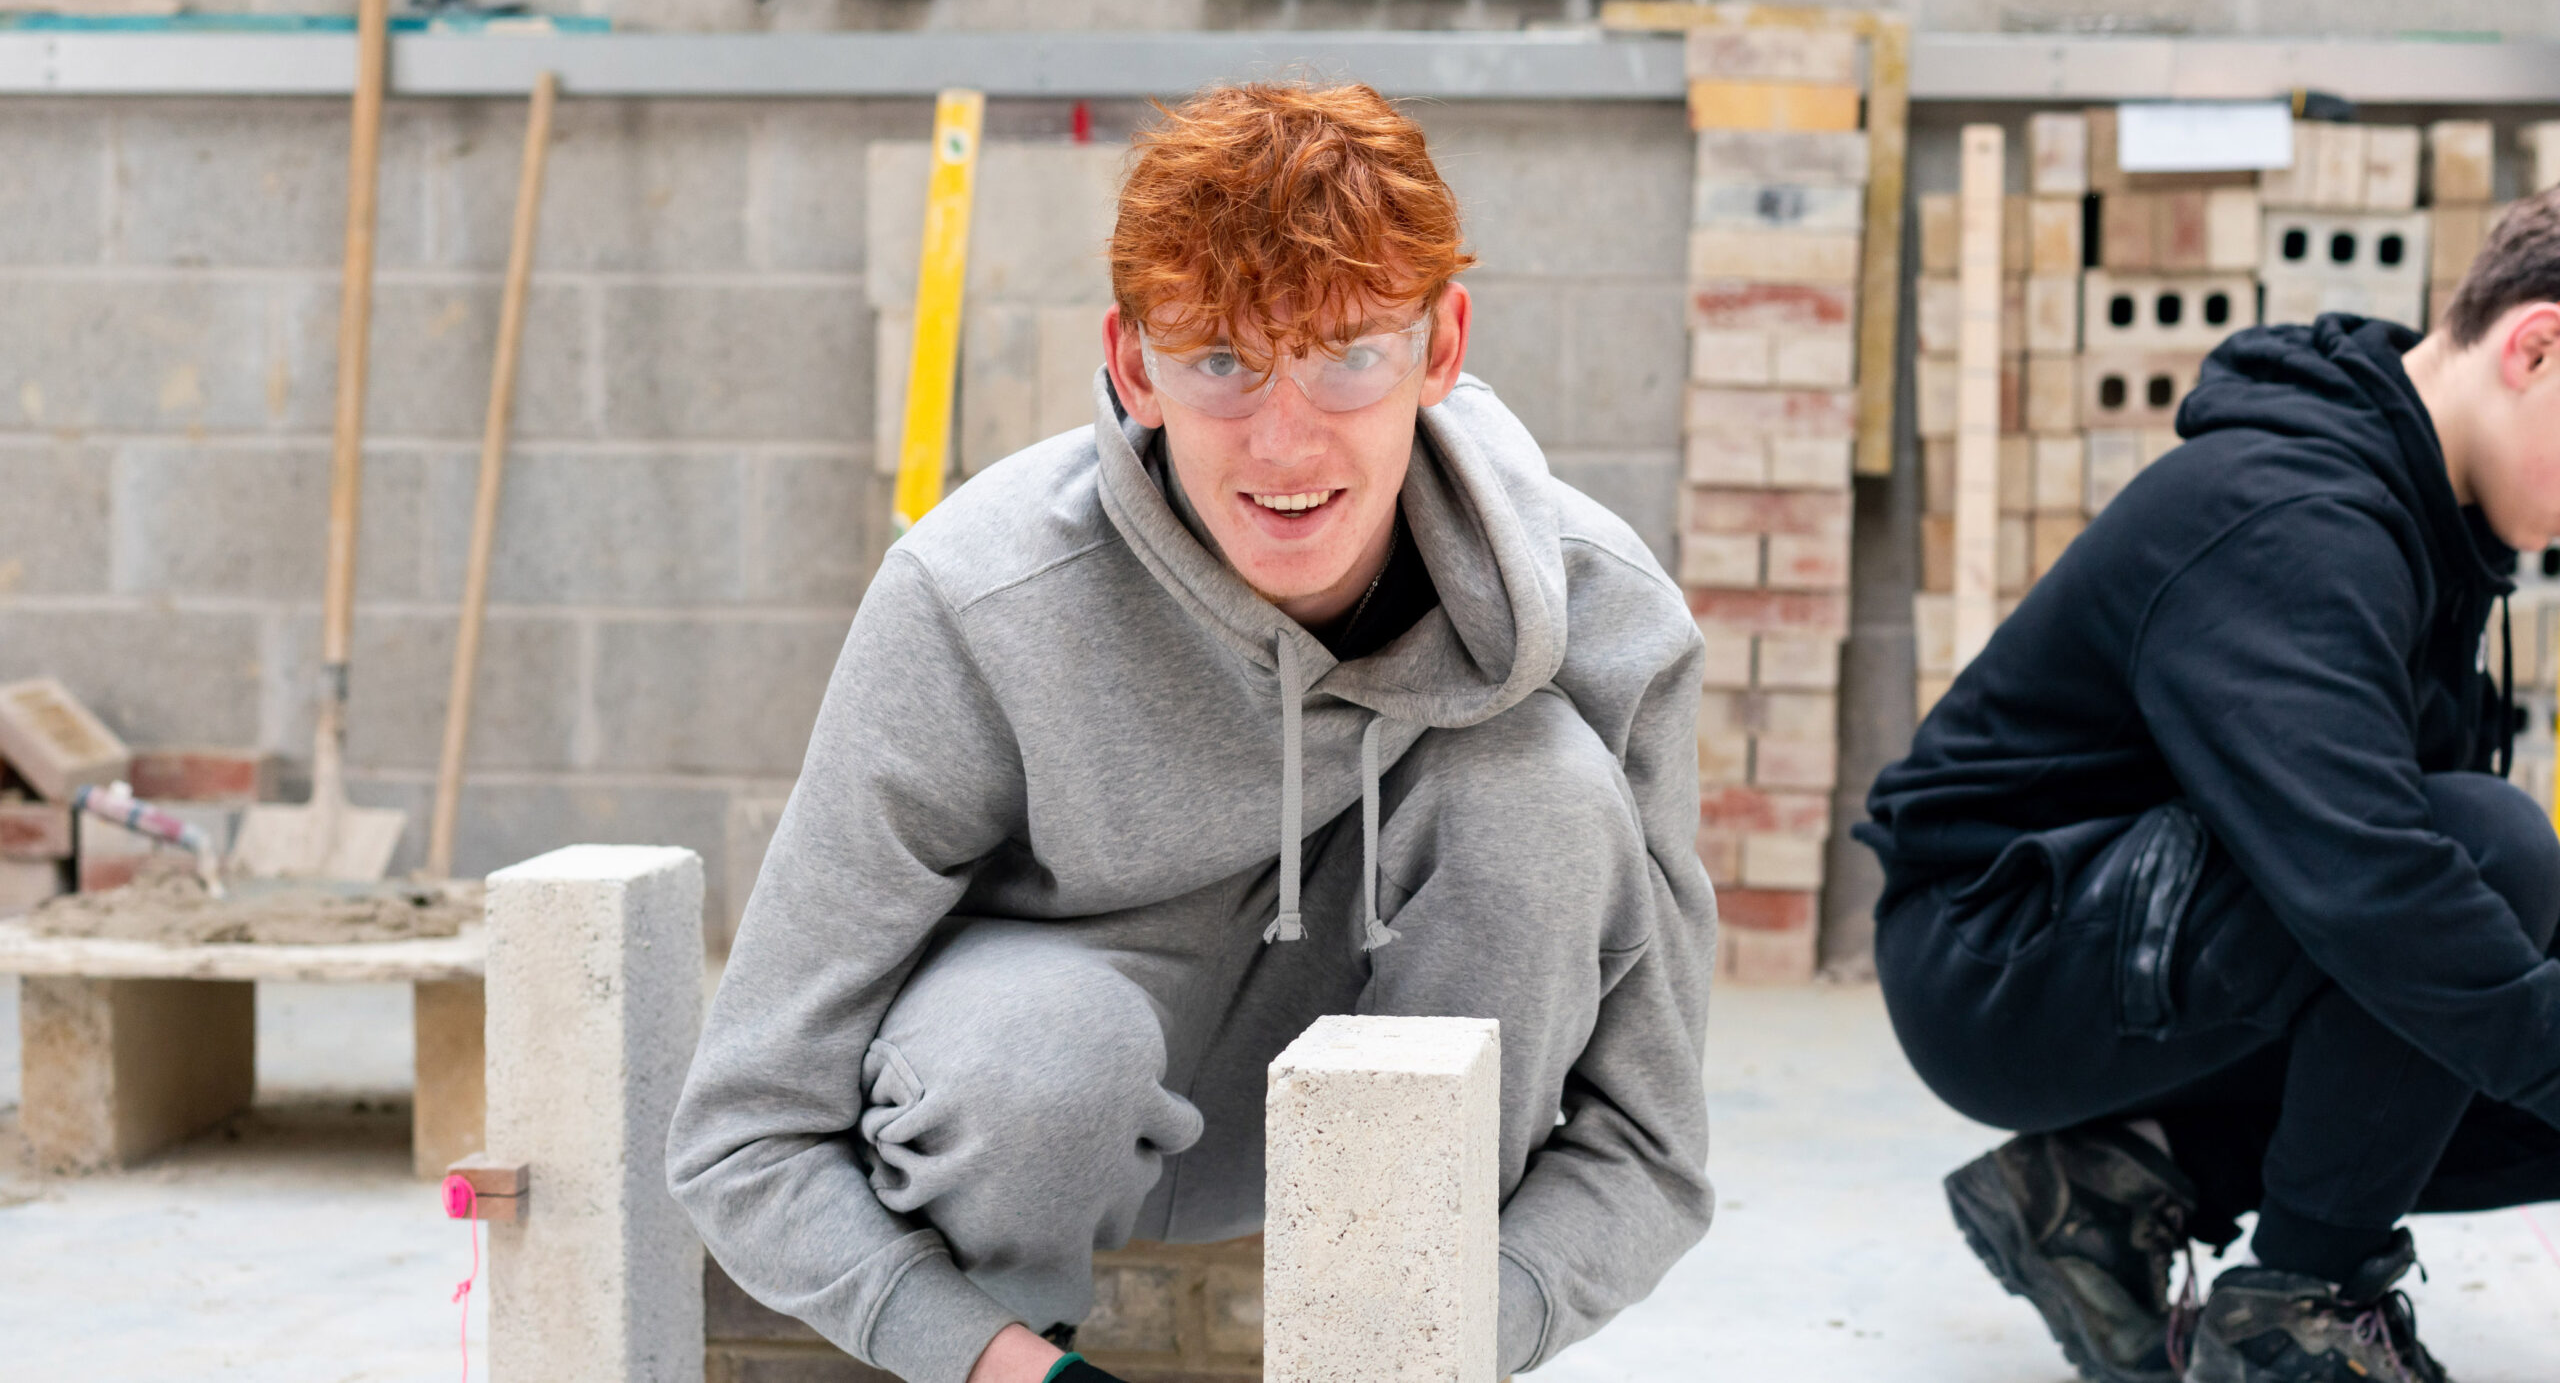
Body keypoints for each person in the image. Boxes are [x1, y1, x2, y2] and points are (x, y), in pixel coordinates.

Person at [668, 83, 1716, 1383]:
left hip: (1394, 1164)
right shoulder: (973, 598)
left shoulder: (1606, 617)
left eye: (1348, 351)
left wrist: (1450, 1332)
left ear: (1441, 345)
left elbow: (1653, 1147)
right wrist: (993, 1361)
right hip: (1040, 1130)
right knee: (1044, 1058)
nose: (1285, 438)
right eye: (1221, 358)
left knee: (1540, 782)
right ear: (1131, 362)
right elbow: (742, 1128)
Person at [1860, 190, 2560, 1383]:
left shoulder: (2422, 526)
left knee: (2503, 945)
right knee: (2485, 855)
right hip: (1994, 951)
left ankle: (2117, 1177)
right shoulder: (2291, 519)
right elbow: (2372, 880)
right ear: (2535, 346)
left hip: (2132, 931)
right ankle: (2293, 1311)